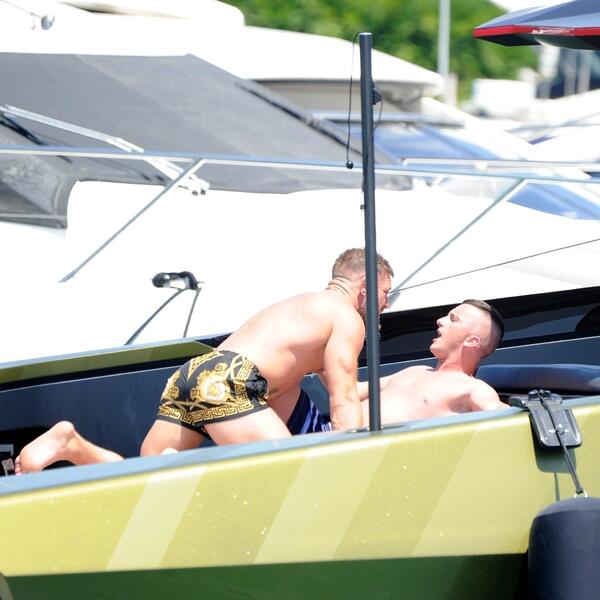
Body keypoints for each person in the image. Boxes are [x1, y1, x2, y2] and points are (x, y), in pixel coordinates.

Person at [15, 247, 394, 473]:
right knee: (288, 467)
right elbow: (343, 400)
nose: (387, 303)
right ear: (364, 288)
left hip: (196, 372)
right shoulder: (347, 319)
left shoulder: (302, 307)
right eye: (385, 292)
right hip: (232, 380)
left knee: (148, 476)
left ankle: (73, 445)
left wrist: (397, 382)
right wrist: (353, 464)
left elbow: (347, 388)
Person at [357, 299, 506, 424]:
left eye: (453, 319)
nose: (440, 321)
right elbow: (353, 390)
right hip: (346, 435)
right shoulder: (416, 370)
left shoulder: (473, 388)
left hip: (371, 447)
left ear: (471, 341)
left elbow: (509, 419)